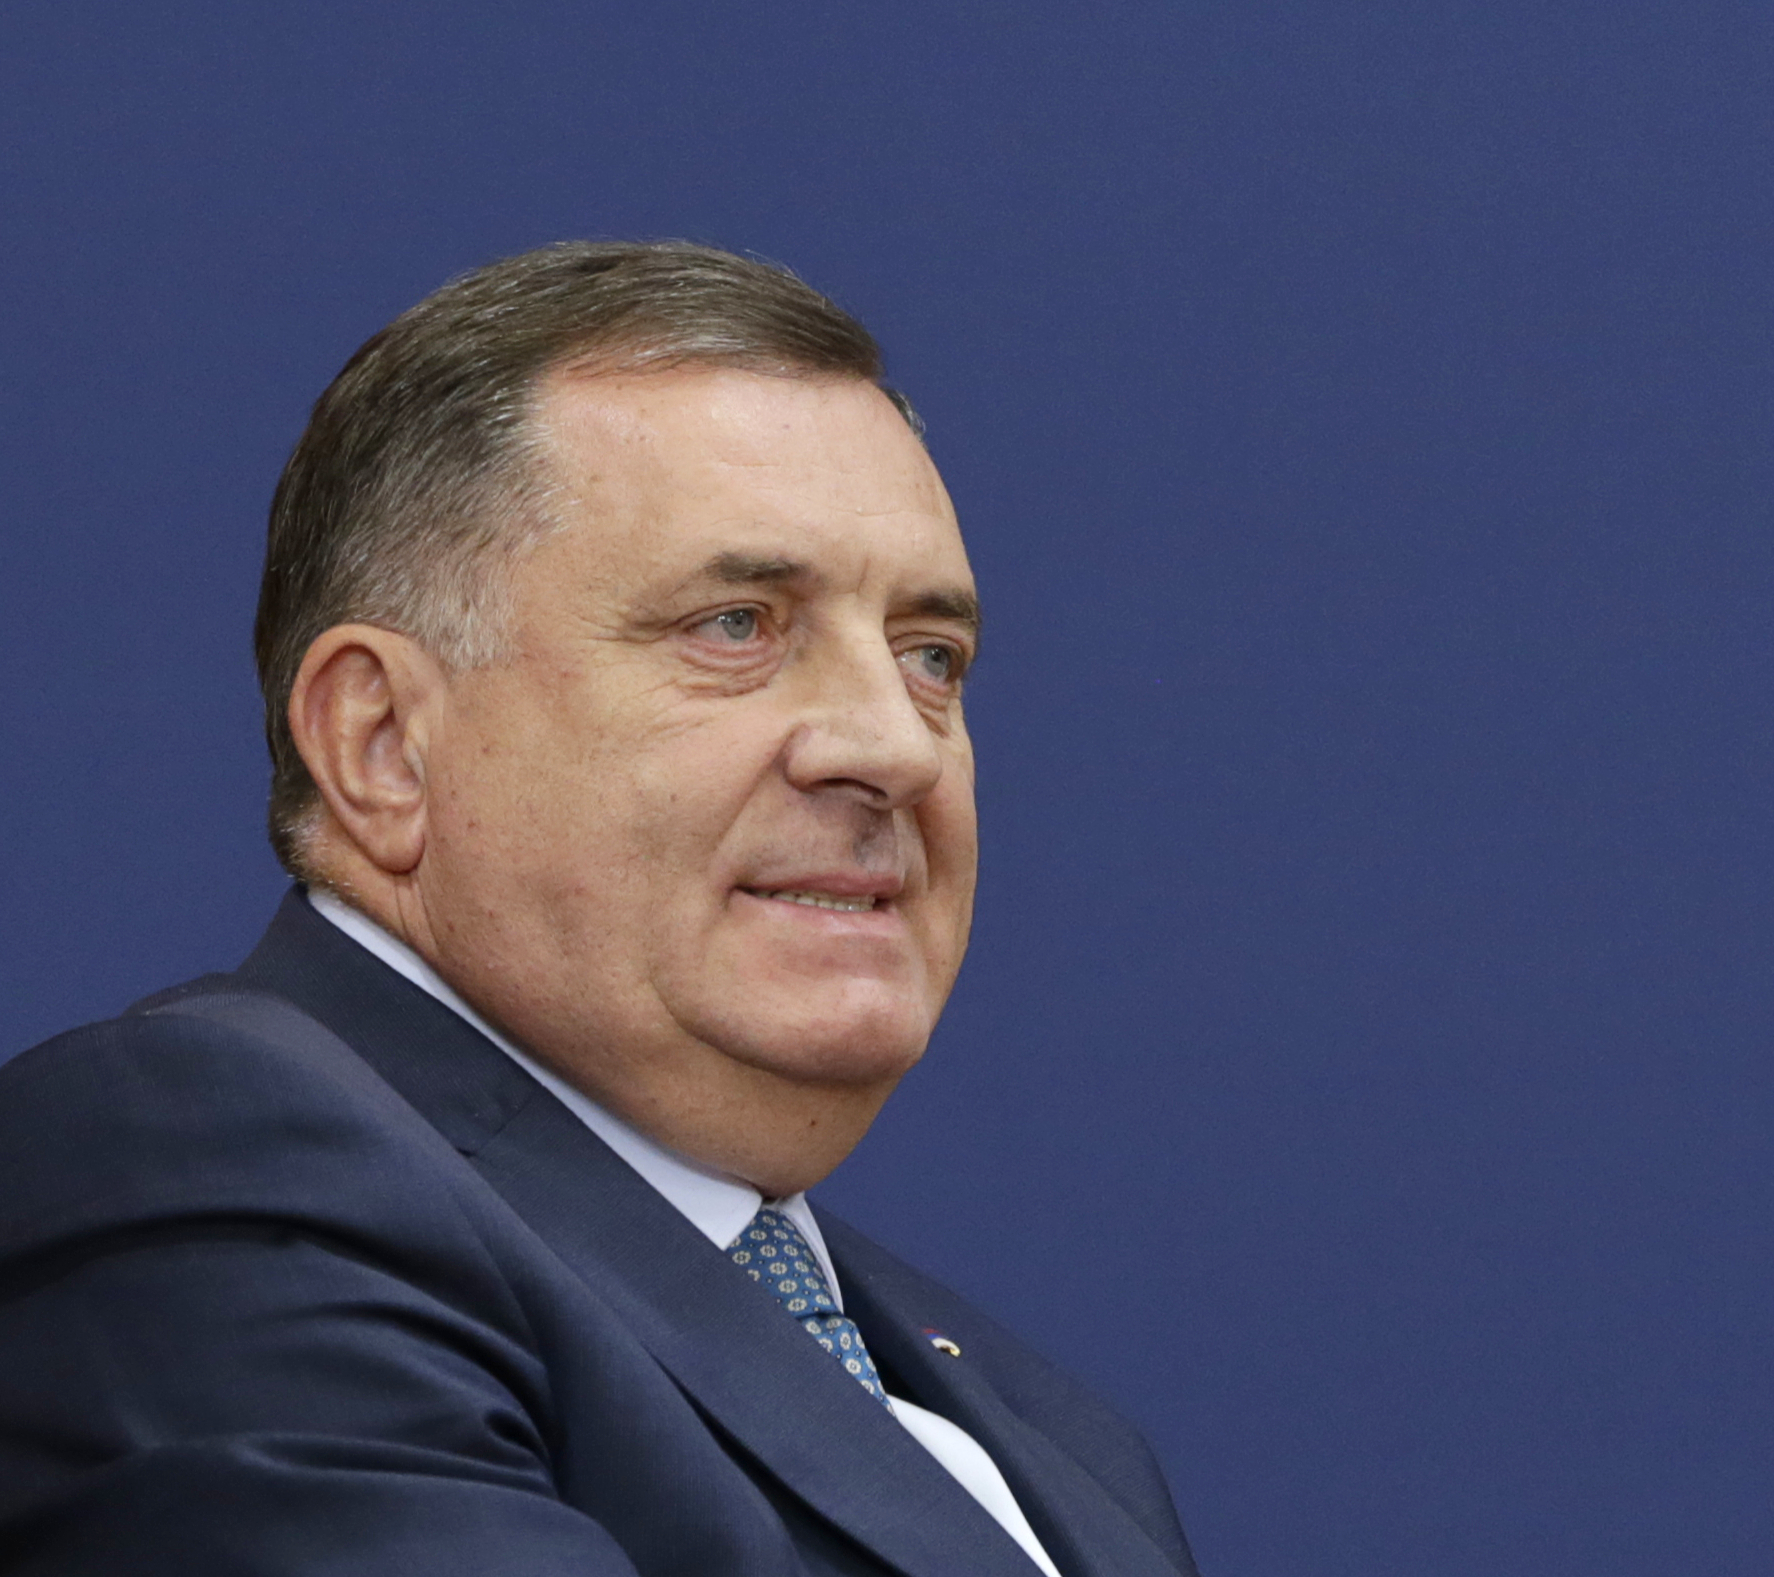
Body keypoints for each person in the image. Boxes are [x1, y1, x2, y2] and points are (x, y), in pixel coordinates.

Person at [0, 242, 1198, 1576]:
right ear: (383, 744)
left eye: (930, 657)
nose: (896, 748)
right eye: (737, 626)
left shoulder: (1057, 1440)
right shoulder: (206, 1183)